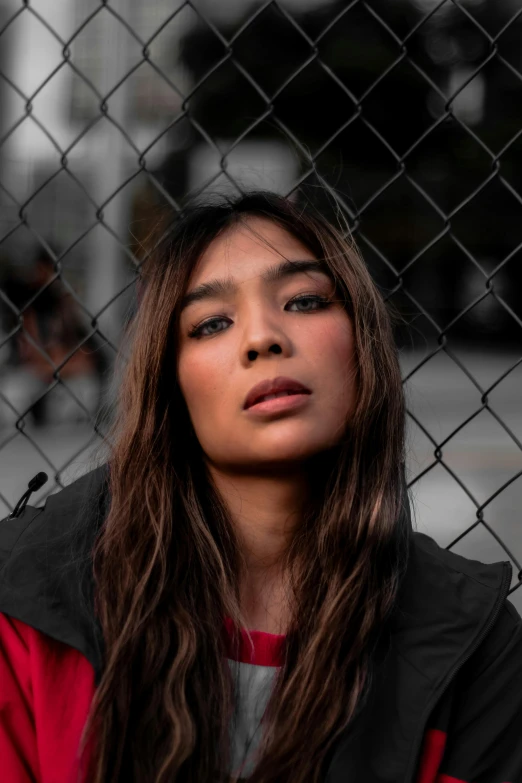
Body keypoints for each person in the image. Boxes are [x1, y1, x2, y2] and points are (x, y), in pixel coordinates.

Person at [0, 191, 521, 783]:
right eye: (212, 323)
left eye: (303, 300)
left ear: (363, 340)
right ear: (170, 385)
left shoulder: (478, 646)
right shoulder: (23, 609)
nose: (262, 338)